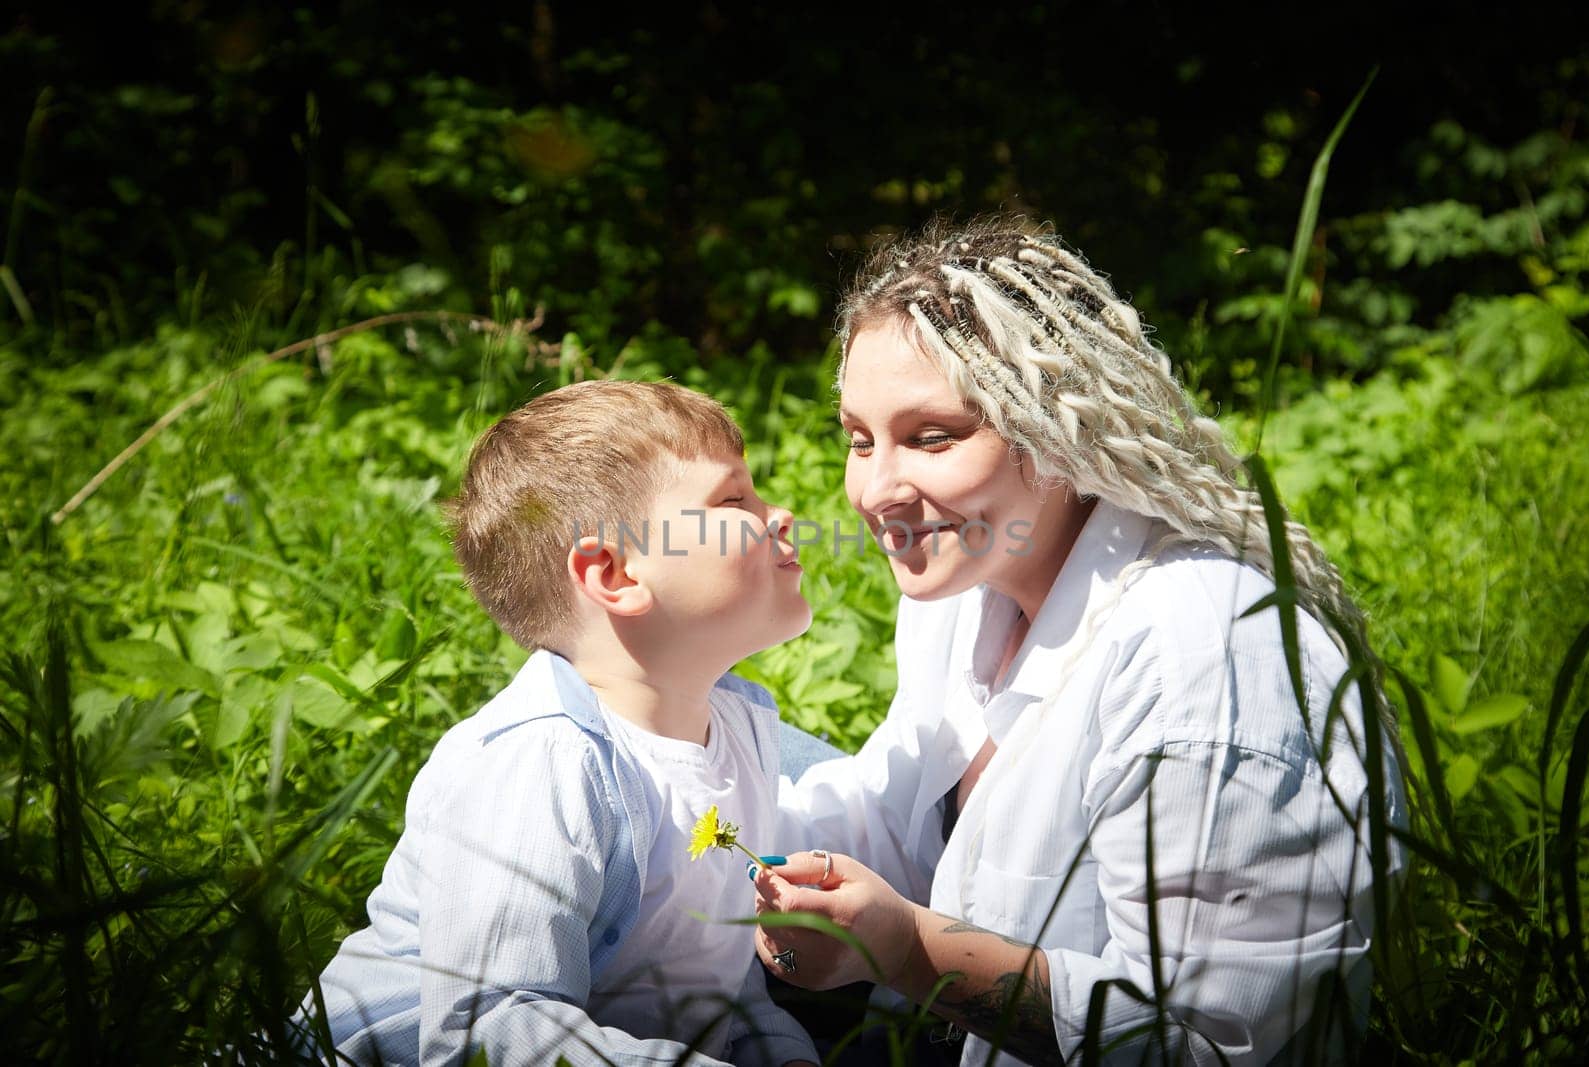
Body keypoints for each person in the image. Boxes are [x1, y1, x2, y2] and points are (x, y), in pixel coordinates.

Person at [755, 218, 1407, 1066]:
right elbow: (896, 802)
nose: (875, 489)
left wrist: (910, 951)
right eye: (858, 437)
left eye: (933, 436)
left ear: (1057, 432)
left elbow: (1217, 1043)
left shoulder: (1201, 659)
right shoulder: (968, 579)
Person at [300, 380, 820, 1067]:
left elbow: (722, 980)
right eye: (733, 500)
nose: (779, 514)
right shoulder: (538, 761)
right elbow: (490, 1027)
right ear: (614, 573)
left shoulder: (745, 733)